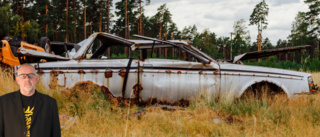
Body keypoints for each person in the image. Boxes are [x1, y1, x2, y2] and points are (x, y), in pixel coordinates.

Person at [0, 64, 61, 137]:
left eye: (31, 76)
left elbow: (56, 133)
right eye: (23, 76)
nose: (27, 79)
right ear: (17, 80)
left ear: (36, 79)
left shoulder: (50, 103)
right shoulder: (3, 102)